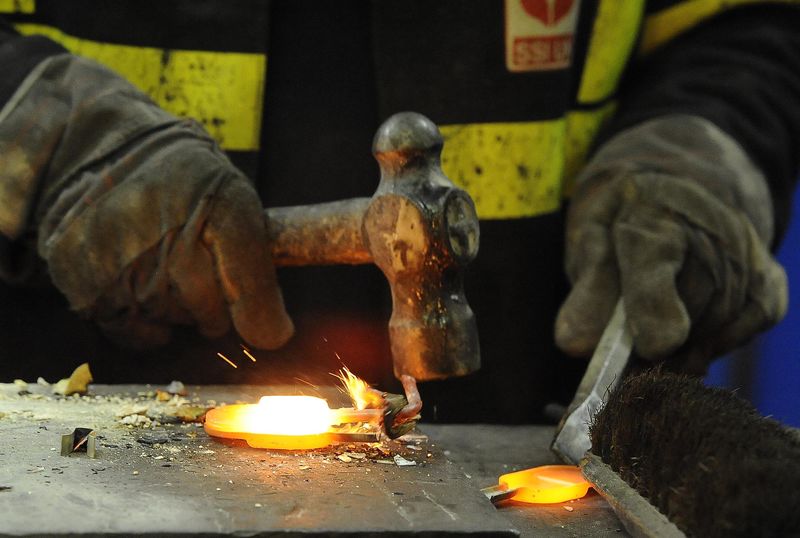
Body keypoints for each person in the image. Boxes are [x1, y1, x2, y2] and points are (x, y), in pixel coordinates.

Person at [0, 1, 798, 423]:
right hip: (60, 422)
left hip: (519, 429)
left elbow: (743, 27)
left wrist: (704, 145)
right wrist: (41, 133)